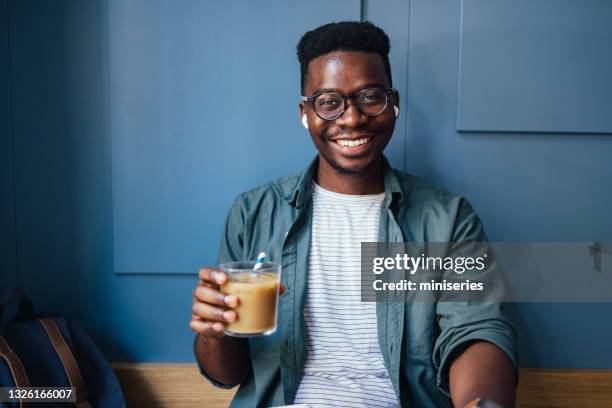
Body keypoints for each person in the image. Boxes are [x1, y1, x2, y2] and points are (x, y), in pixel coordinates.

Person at [190, 21, 517, 408]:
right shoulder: (253, 212)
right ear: (305, 112)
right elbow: (230, 375)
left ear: (393, 102)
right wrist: (214, 333)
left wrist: (480, 402)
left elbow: (477, 328)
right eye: (329, 102)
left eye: (369, 97)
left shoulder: (448, 219)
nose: (351, 118)